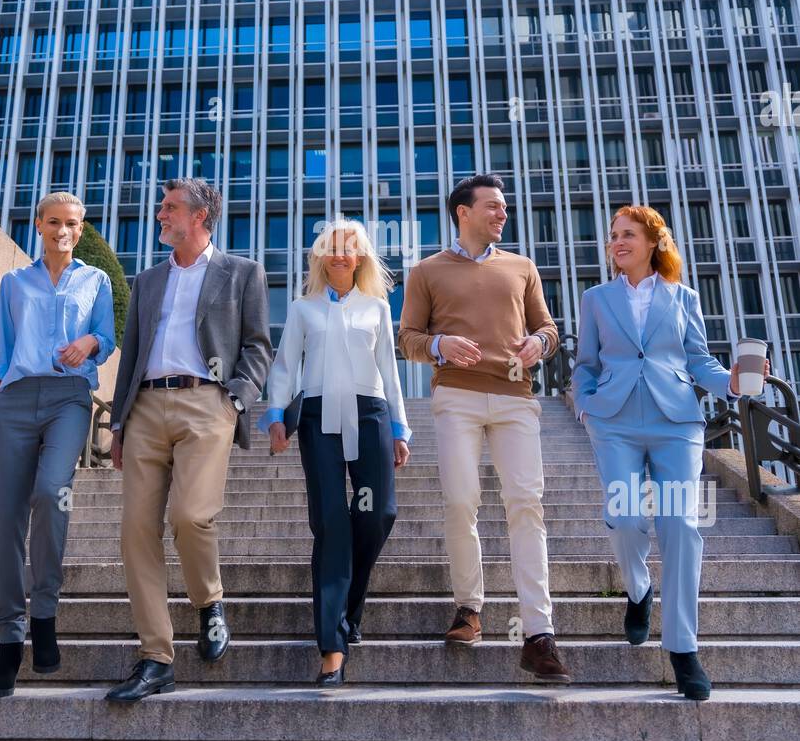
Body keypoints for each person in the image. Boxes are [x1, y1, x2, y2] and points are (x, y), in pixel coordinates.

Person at [570, 205, 769, 702]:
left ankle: (682, 649)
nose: (617, 242)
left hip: (676, 421)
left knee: (681, 524)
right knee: (626, 516)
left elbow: (699, 360)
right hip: (613, 421)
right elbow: (586, 363)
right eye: (613, 235)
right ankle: (639, 591)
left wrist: (737, 384)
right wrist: (586, 406)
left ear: (653, 242)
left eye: (628, 234)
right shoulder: (595, 299)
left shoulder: (684, 297)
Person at [398, 173, 570, 684]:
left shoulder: (522, 267)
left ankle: (539, 634)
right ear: (462, 212)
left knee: (526, 504)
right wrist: (438, 345)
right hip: (457, 396)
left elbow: (549, 328)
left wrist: (542, 343)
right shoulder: (427, 271)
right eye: (493, 206)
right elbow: (407, 336)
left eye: (505, 207)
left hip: (518, 396)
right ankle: (469, 609)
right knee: (460, 501)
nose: (502, 213)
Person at [105, 178, 271, 703]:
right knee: (136, 530)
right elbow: (131, 352)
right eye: (161, 208)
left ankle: (209, 602)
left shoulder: (241, 272)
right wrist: (116, 423)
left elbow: (259, 345)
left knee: (191, 516)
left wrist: (235, 399)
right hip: (146, 408)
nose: (160, 215)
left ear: (199, 217)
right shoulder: (149, 279)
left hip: (207, 403)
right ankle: (156, 657)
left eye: (170, 208)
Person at [258, 220, 411, 686]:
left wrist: (400, 428)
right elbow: (285, 366)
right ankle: (332, 646)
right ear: (321, 258)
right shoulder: (303, 309)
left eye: (348, 249)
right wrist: (276, 415)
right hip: (317, 419)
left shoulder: (377, 309)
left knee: (377, 513)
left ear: (360, 257)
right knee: (331, 522)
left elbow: (389, 367)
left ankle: (349, 606)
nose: (339, 256)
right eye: (331, 249)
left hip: (371, 415)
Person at [0, 192, 116, 698]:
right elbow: (4, 345)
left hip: (69, 399)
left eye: (71, 224)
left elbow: (105, 332)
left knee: (52, 492)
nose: (62, 230)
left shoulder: (96, 280)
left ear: (80, 231)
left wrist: (91, 344)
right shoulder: (15, 282)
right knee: (6, 518)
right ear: (39, 224)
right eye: (53, 221)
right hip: (16, 399)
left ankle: (45, 612)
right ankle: (10, 638)